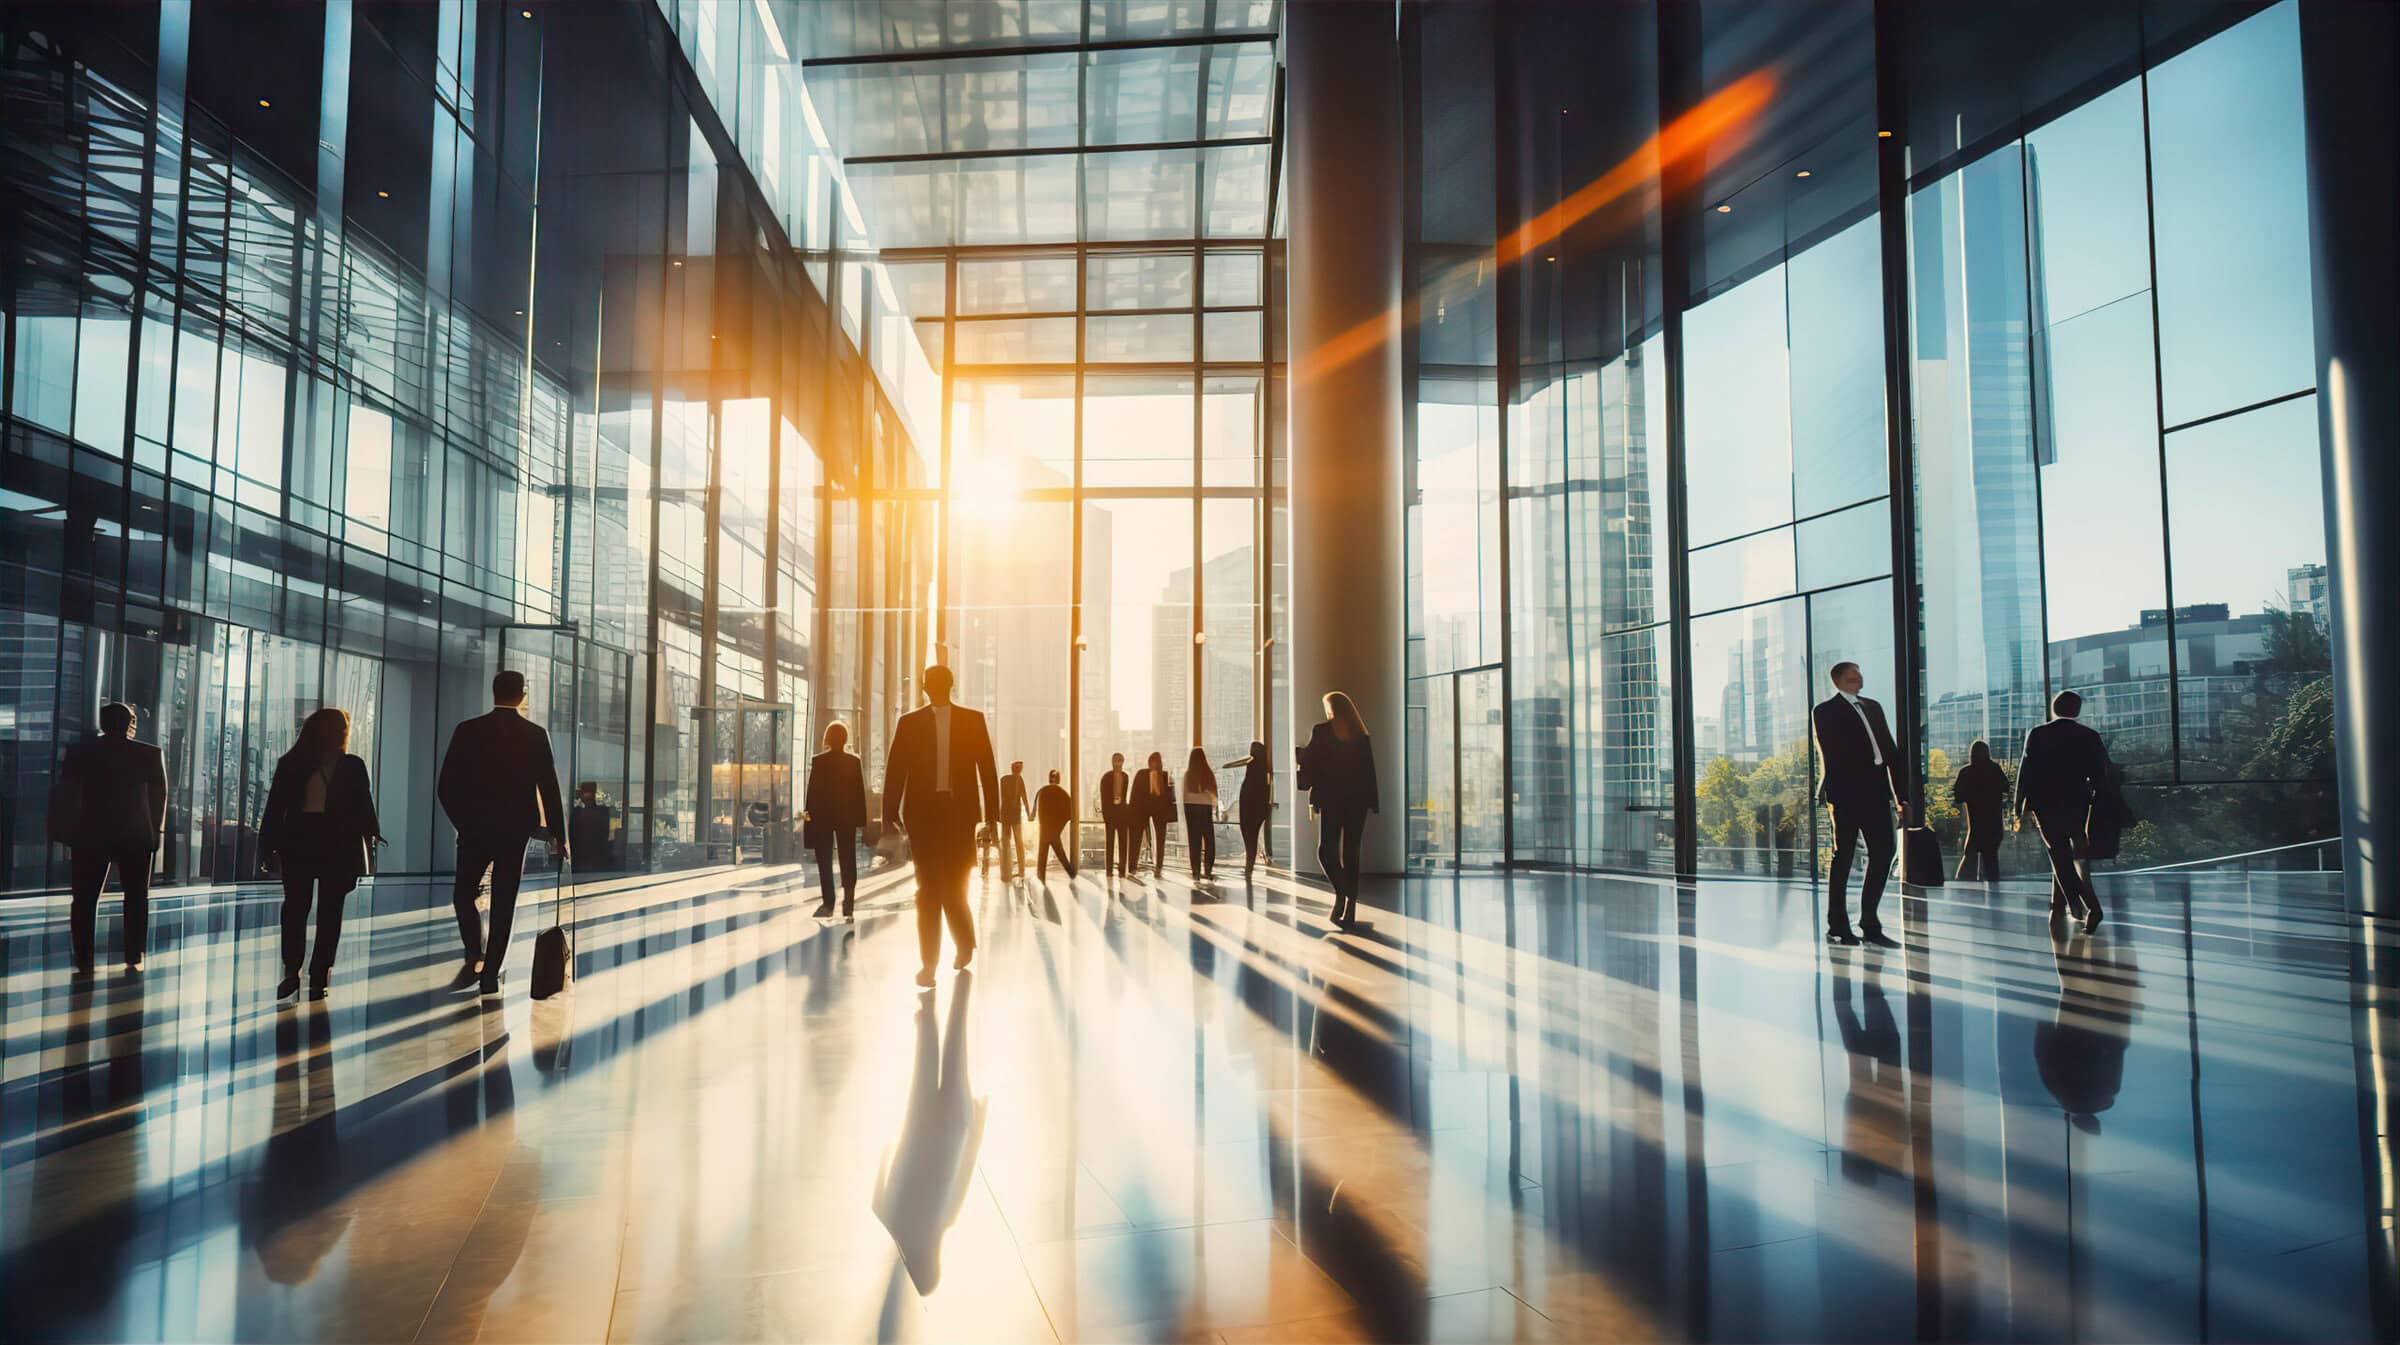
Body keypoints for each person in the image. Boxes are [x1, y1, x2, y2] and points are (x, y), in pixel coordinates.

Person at [438, 670, 568, 997]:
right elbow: (549, 789)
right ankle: (490, 971)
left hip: (475, 829)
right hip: (514, 830)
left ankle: (475, 951)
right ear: (522, 695)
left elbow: (447, 786)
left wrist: (463, 822)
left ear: (494, 691)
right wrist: (559, 835)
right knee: (504, 899)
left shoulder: (468, 730)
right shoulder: (534, 734)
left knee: (463, 894)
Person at [883, 664, 1000, 988]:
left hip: (959, 814)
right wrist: (889, 814)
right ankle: (929, 964)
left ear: (949, 684)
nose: (935, 687)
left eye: (939, 682)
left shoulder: (972, 720)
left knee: (955, 884)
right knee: (928, 889)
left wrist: (992, 816)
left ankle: (964, 943)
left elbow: (987, 768)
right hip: (923, 815)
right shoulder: (909, 723)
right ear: (926, 687)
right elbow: (896, 769)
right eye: (931, 683)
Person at [258, 708, 382, 1001]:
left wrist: (267, 844)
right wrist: (370, 838)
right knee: (316, 909)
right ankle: (308, 972)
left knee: (307, 908)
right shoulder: (344, 765)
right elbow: (363, 807)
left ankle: (305, 971)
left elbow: (275, 809)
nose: (342, 734)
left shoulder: (296, 763)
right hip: (327, 841)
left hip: (307, 840)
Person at [47, 702, 168, 977]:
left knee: (84, 898)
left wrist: (65, 830)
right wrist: (155, 832)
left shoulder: (81, 752)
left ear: (103, 723)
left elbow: (67, 793)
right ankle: (133, 952)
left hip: (91, 833)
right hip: (135, 834)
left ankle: (84, 955)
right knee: (136, 896)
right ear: (129, 724)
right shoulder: (149, 754)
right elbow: (158, 796)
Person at [1810, 662, 1908, 948]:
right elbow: (1834, 753)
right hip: (1846, 791)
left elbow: (1891, 753)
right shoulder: (1824, 711)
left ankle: (1869, 923)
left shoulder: (1873, 707)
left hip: (1876, 791)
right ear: (1837, 680)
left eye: (1859, 673)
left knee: (1884, 852)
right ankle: (1838, 926)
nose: (1858, 678)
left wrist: (1901, 797)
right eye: (1852, 675)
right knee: (1844, 856)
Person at [2016, 690, 2112, 931]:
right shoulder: (2089, 736)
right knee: (2071, 855)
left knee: (2059, 854)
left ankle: (2089, 906)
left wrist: (2019, 806)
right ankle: (2072, 905)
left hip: (2045, 802)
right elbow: (2101, 774)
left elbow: (2026, 772)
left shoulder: (2038, 734)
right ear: (2077, 710)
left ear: (2054, 708)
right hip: (2077, 801)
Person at [1297, 692, 1378, 928]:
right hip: (1357, 802)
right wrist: (1373, 802)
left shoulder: (1322, 731)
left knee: (1326, 851)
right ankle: (1349, 904)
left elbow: (1310, 763)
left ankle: (1342, 894)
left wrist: (1300, 756)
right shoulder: (1361, 736)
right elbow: (1369, 773)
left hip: (1331, 800)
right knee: (1352, 852)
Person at [804, 721, 867, 919]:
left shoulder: (818, 761)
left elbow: (811, 795)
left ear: (828, 738)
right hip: (846, 817)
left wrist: (808, 819)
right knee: (848, 858)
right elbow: (859, 793)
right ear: (845, 738)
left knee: (824, 859)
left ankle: (828, 900)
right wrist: (861, 820)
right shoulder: (853, 761)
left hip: (823, 817)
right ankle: (848, 900)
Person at [1950, 740, 2009, 882]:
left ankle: (1963, 888)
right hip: (1994, 825)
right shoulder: (1995, 769)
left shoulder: (1966, 773)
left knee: (1969, 857)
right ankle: (1992, 889)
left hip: (1976, 826)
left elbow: (1958, 797)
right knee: (1991, 861)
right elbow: (2006, 787)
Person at [1228, 740, 1273, 879]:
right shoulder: (1263, 769)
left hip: (1248, 808)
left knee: (1249, 840)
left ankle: (1249, 869)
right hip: (1259, 809)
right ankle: (1249, 868)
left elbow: (1235, 765)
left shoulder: (1252, 765)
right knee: (1252, 839)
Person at [1130, 751, 1176, 878]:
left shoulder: (1165, 776)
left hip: (1160, 811)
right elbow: (1135, 794)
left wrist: (1168, 812)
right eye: (1152, 761)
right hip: (1142, 810)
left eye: (1156, 761)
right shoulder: (1141, 774)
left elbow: (1170, 796)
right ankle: (1132, 866)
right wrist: (1133, 811)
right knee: (1137, 838)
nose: (1154, 764)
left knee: (1160, 839)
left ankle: (1159, 867)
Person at [1181, 748, 1219, 879]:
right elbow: (1214, 795)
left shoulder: (1188, 775)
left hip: (1191, 809)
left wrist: (1194, 798)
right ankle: (1208, 869)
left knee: (1194, 842)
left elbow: (1185, 796)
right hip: (1205, 809)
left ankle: (1196, 872)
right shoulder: (1209, 774)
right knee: (1209, 841)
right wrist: (1205, 796)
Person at [1035, 769, 1076, 882]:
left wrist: (1043, 825)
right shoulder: (1062, 793)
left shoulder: (1043, 791)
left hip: (1045, 828)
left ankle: (1041, 876)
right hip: (1053, 829)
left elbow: (1040, 812)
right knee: (1059, 852)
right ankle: (1071, 873)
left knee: (1044, 853)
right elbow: (1069, 813)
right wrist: (1059, 827)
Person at [1097, 752, 1133, 876]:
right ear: (1112, 762)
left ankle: (1122, 870)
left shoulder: (1125, 776)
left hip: (1123, 814)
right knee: (1110, 842)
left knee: (1123, 842)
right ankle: (1109, 870)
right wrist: (1106, 815)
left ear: (1123, 762)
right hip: (1111, 814)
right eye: (1116, 761)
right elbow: (1103, 797)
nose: (1117, 764)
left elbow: (1124, 795)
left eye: (1120, 761)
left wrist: (1126, 811)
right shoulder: (1106, 777)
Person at [996, 761, 1031, 879]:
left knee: (1006, 842)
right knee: (1018, 842)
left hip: (1006, 814)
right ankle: (1021, 870)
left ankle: (1006, 871)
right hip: (1014, 815)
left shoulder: (1004, 780)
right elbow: (1024, 798)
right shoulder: (1018, 780)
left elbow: (1003, 798)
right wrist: (1029, 814)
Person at [569, 783, 615, 872]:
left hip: (591, 856)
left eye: (589, 796)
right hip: (586, 857)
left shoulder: (578, 812)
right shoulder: (578, 812)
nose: (588, 799)